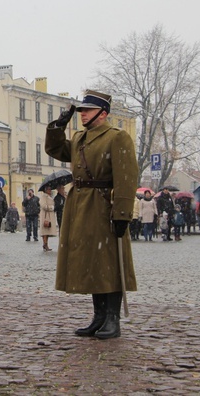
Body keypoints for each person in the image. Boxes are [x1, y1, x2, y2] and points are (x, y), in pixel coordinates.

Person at [45, 89, 137, 339]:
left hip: (104, 205)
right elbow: (56, 151)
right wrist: (57, 127)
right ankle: (98, 317)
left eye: (87, 110)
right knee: (94, 262)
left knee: (109, 262)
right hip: (81, 206)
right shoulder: (79, 138)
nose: (82, 114)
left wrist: (122, 214)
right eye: (81, 110)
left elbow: (127, 178)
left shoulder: (117, 138)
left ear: (102, 113)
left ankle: (112, 319)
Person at [38, 184, 56, 251]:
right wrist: (51, 207)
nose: (50, 190)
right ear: (45, 190)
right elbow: (43, 205)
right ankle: (45, 244)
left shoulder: (49, 196)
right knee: (45, 231)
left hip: (49, 215)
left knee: (47, 231)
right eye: (49, 189)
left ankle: (46, 244)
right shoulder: (43, 197)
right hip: (45, 215)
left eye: (50, 189)